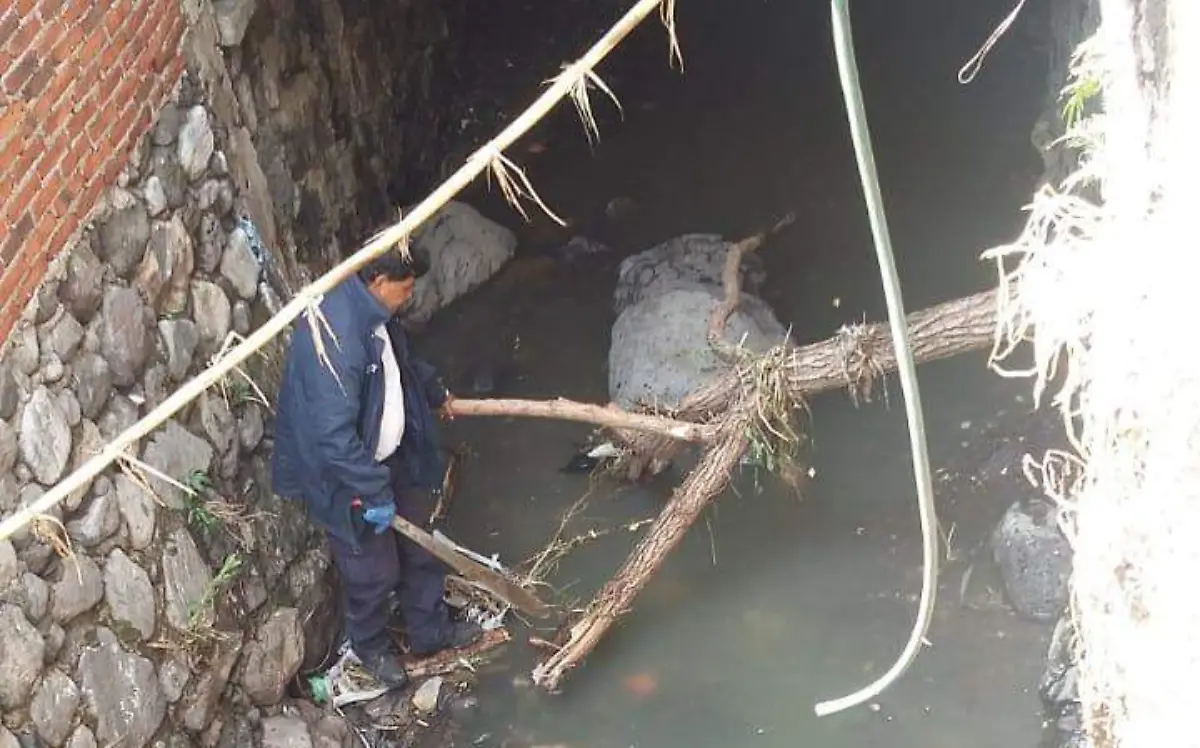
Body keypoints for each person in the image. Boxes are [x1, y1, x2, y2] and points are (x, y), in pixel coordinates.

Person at [271, 253, 482, 688]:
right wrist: (372, 492)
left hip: (389, 457)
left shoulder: (375, 316)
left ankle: (430, 631)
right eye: (404, 289)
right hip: (345, 474)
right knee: (372, 571)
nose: (409, 298)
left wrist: (433, 390)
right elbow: (332, 439)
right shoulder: (337, 338)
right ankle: (370, 647)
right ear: (380, 280)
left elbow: (398, 367)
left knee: (420, 547)